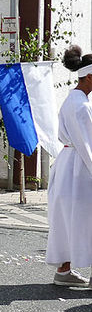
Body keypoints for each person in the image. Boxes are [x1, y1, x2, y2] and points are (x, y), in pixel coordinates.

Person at [46, 45, 92, 286]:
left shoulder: (73, 100)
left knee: (69, 218)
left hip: (69, 165)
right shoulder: (81, 106)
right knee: (84, 218)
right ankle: (65, 271)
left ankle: (64, 271)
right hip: (79, 169)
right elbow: (87, 145)